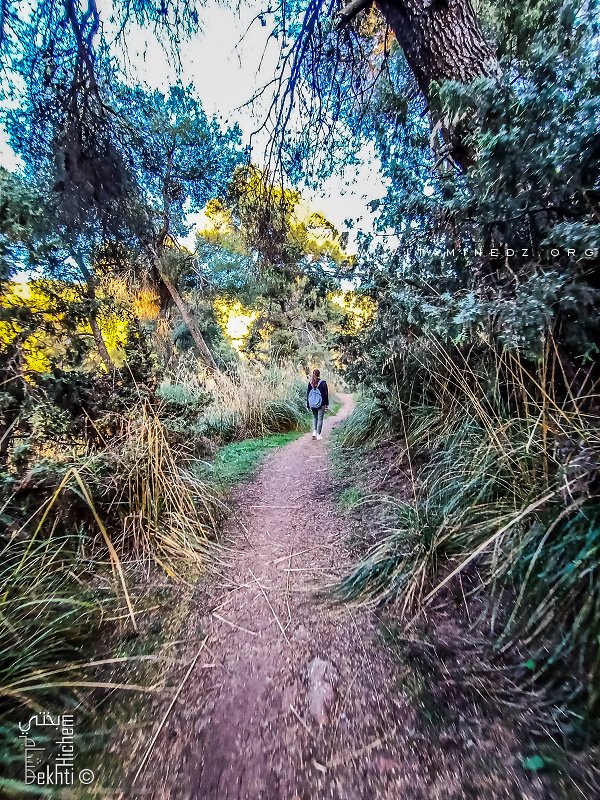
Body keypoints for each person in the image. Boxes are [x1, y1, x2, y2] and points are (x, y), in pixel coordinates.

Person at [306, 368, 329, 440]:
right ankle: (318, 435)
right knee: (320, 418)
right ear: (319, 374)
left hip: (312, 404)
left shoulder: (310, 383)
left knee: (315, 417)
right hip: (321, 404)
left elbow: (308, 395)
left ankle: (314, 432)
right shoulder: (323, 383)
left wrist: (308, 404)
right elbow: (325, 394)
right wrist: (326, 404)